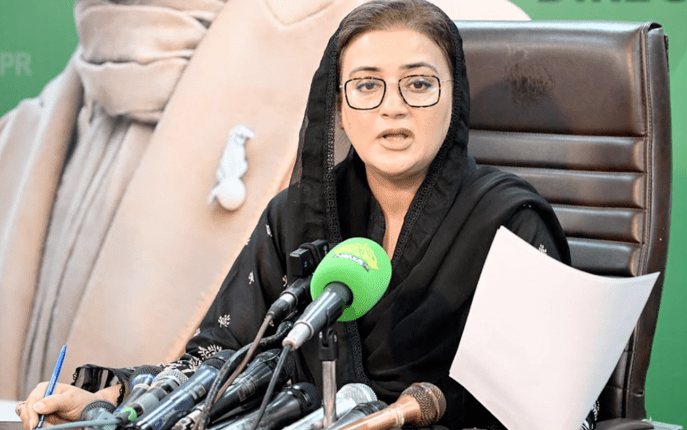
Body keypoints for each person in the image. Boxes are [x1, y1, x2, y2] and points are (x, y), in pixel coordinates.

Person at [17, 1, 585, 429]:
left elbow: (545, 406)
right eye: (367, 86)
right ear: (339, 106)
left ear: (454, 96)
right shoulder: (297, 217)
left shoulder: (510, 224)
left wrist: (413, 412)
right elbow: (224, 359)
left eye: (418, 84)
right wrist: (112, 398)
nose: (392, 107)